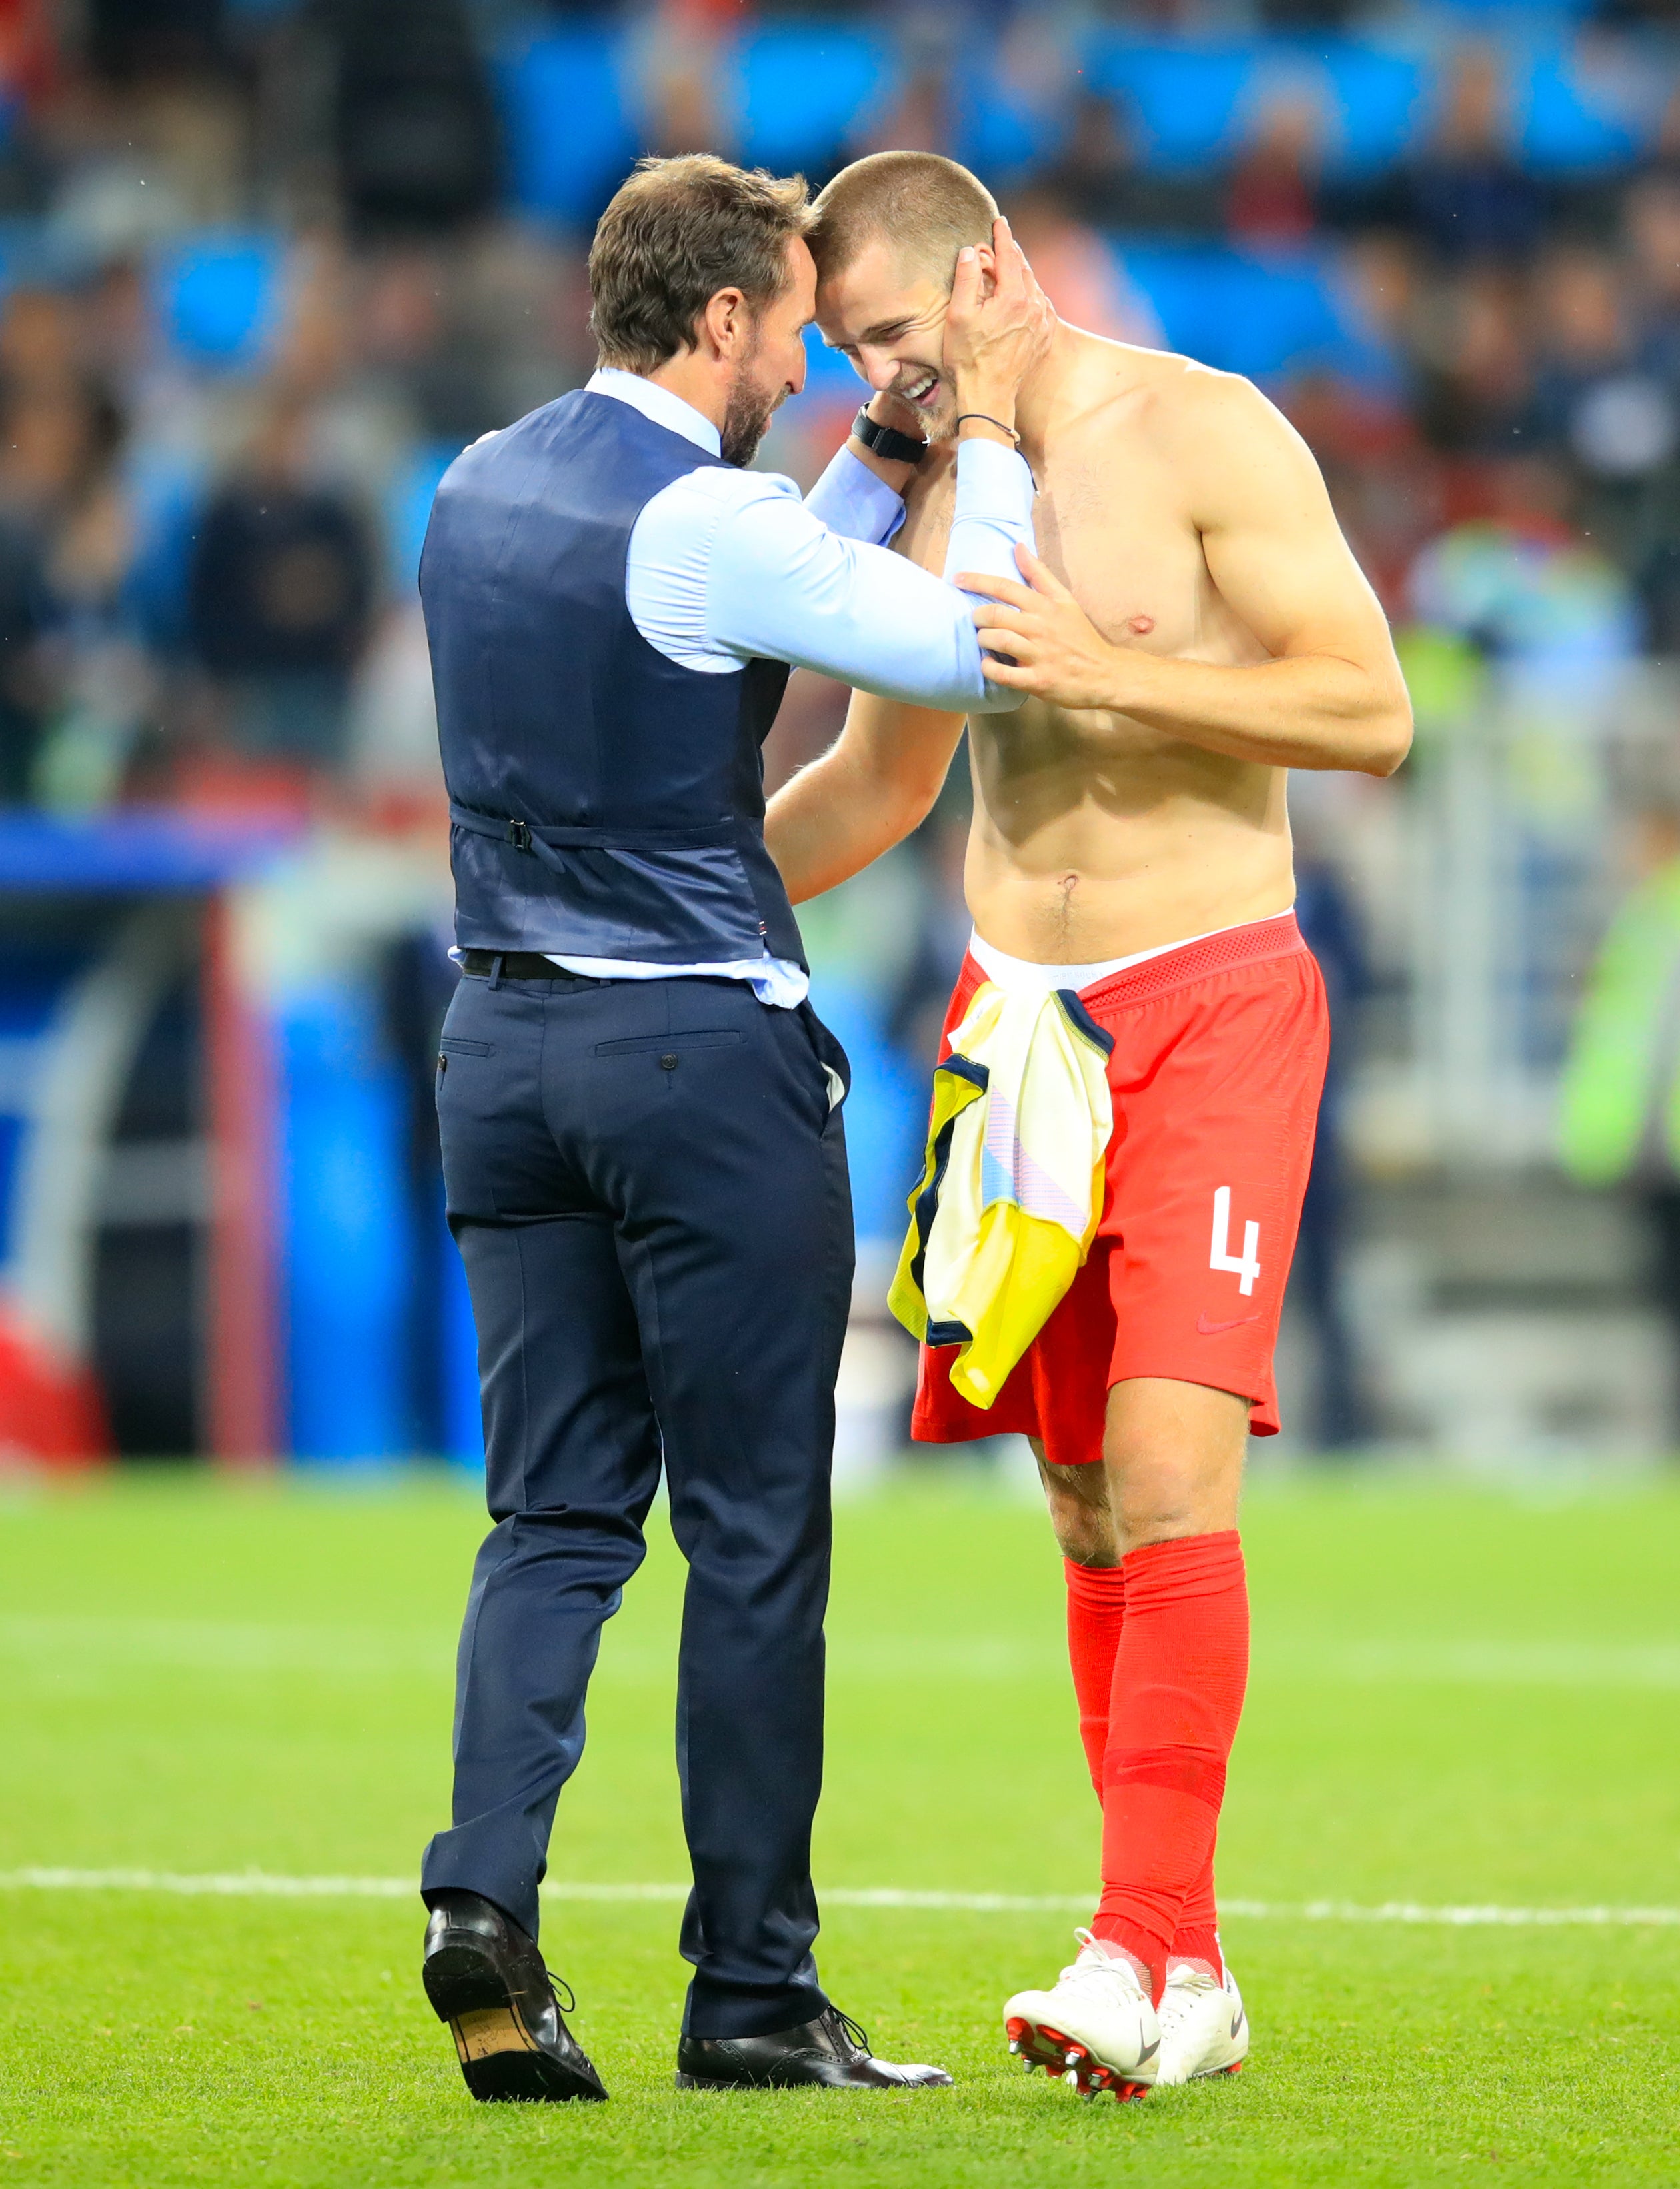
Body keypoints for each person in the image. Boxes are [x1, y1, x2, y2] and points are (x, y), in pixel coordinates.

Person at [766, 149, 1411, 2098]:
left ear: (985, 275)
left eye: (887, 334)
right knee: (1075, 1498)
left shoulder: (1205, 428)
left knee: (1166, 1463)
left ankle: (1133, 1943)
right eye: (840, 352)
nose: (873, 381)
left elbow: (1367, 710)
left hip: (1207, 993)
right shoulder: (934, 483)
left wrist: (1119, 668)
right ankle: (1178, 1961)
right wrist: (664, 889)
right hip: (1009, 1027)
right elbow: (877, 780)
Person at [416, 152, 1051, 2104]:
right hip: (693, 1064)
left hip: (500, 1049)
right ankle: (753, 1992)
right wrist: (997, 445)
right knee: (758, 1534)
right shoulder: (702, 520)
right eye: (788, 321)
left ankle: (482, 1909)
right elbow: (971, 640)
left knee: (551, 1515)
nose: (801, 352)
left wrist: (876, 449)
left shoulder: (472, 484)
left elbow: (750, 573)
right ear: (718, 323)